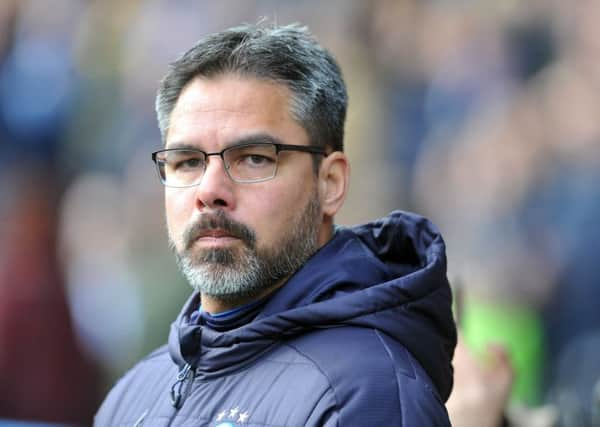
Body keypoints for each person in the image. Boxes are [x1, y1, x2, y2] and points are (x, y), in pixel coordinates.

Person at [95, 22, 456, 426]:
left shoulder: (367, 396)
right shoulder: (132, 394)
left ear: (330, 183)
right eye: (188, 162)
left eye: (254, 158)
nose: (210, 190)